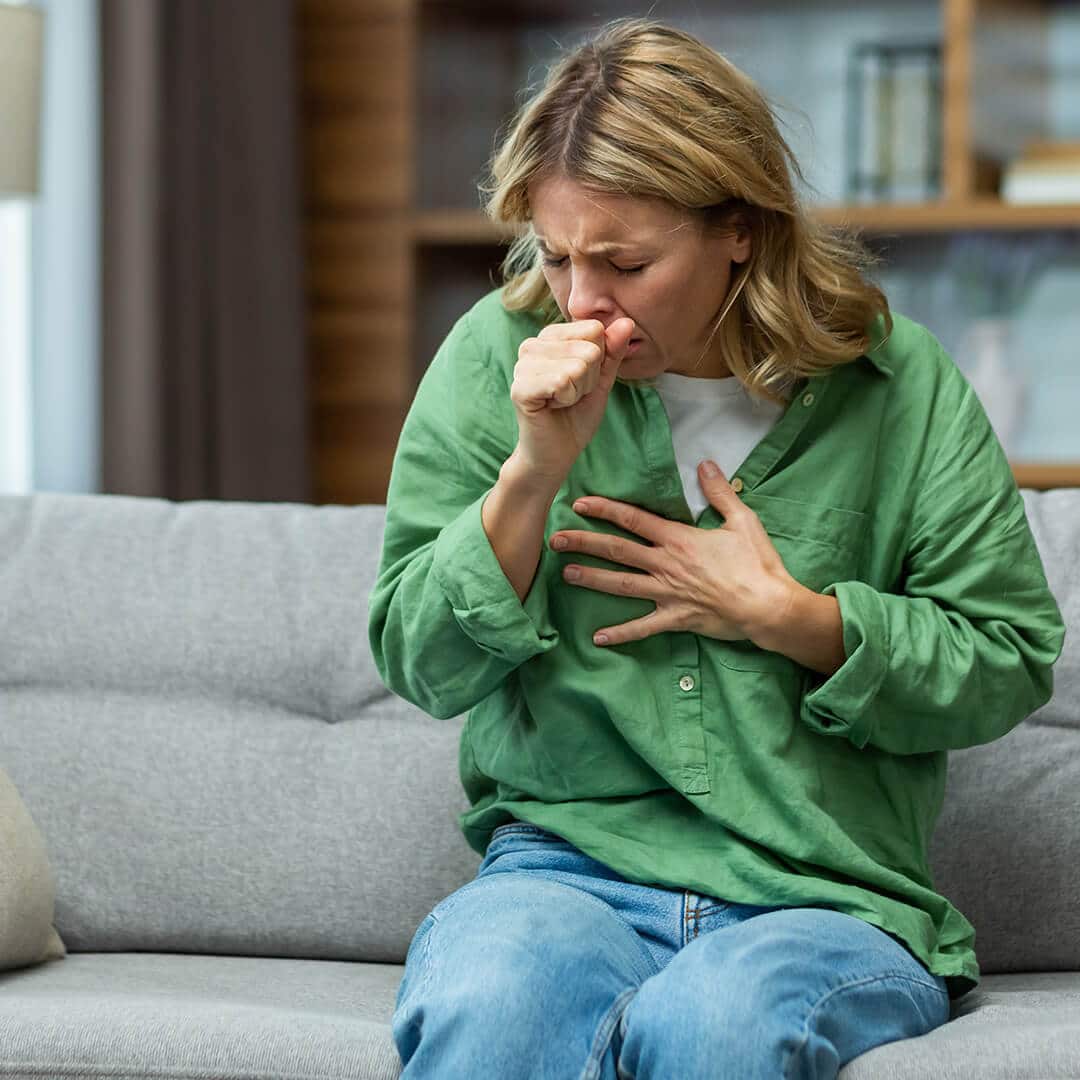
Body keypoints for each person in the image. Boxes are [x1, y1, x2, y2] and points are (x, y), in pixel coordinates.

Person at [367, 17, 1066, 1080]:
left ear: (739, 226)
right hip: (564, 875)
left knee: (716, 1024)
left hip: (824, 897)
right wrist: (534, 470)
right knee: (491, 1004)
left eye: (627, 262)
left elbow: (1007, 660)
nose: (582, 302)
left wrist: (794, 619)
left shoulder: (901, 386)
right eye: (557, 257)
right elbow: (420, 661)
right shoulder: (493, 358)